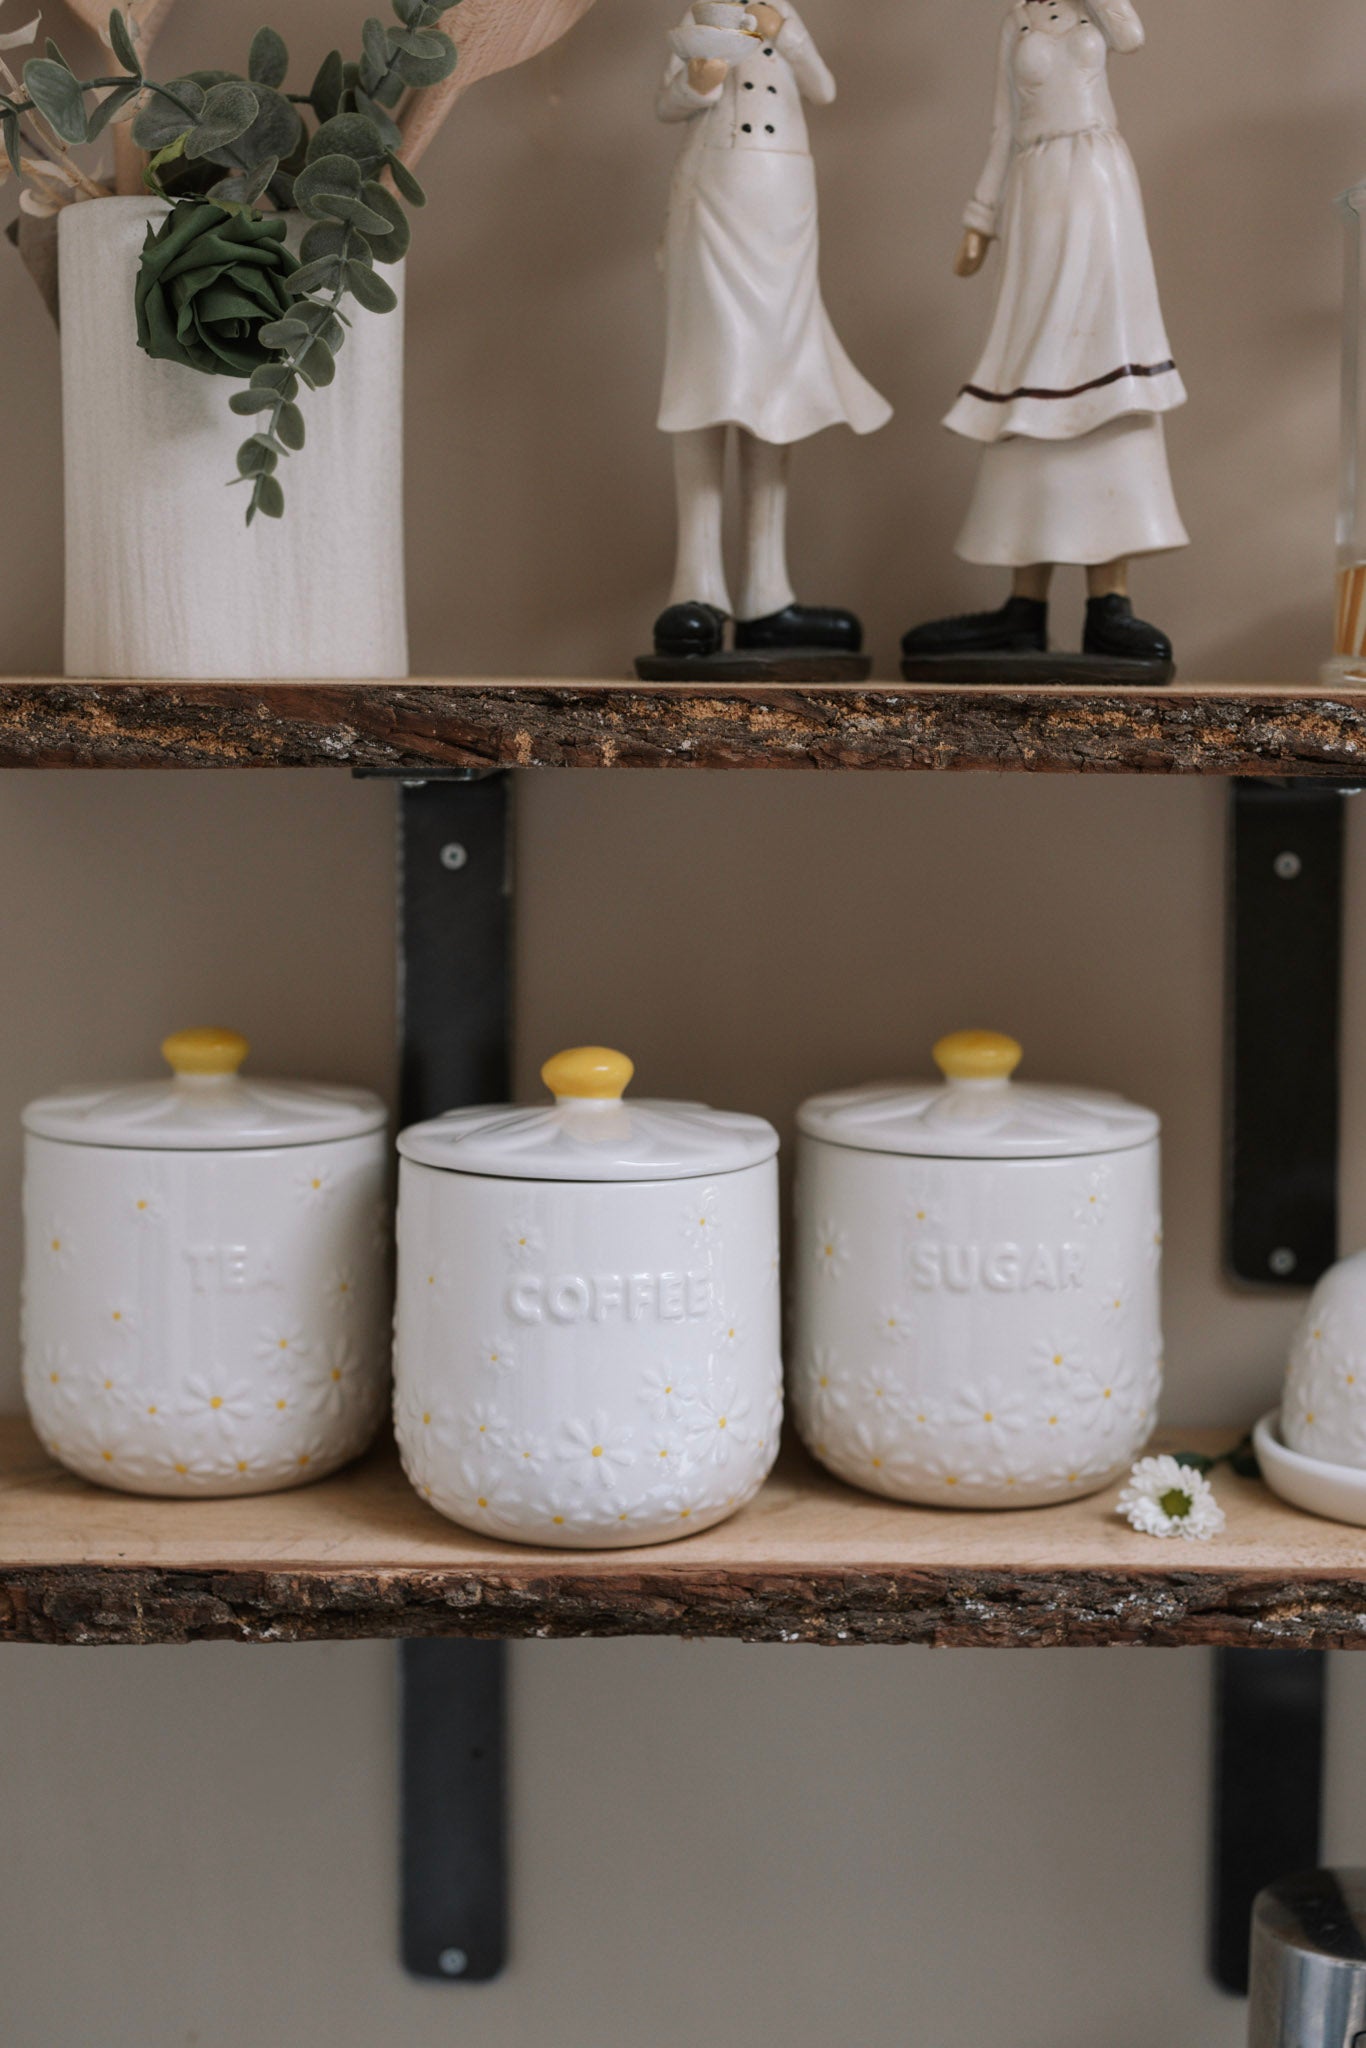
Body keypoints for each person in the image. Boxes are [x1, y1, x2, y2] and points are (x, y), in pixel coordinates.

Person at [904, 0, 1187, 672]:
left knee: (1106, 370)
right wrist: (981, 218)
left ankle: (1109, 602)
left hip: (1099, 185)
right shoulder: (1017, 21)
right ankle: (1022, 605)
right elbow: (1003, 127)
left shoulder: (1095, 11)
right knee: (1029, 378)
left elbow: (1131, 34)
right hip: (1036, 193)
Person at [651, 0, 891, 664]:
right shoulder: (695, 17)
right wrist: (698, 79)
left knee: (777, 384)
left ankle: (766, 593)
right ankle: (695, 588)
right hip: (712, 198)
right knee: (704, 379)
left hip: (785, 206)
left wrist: (790, 34)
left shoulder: (782, 16)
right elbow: (669, 105)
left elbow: (824, 88)